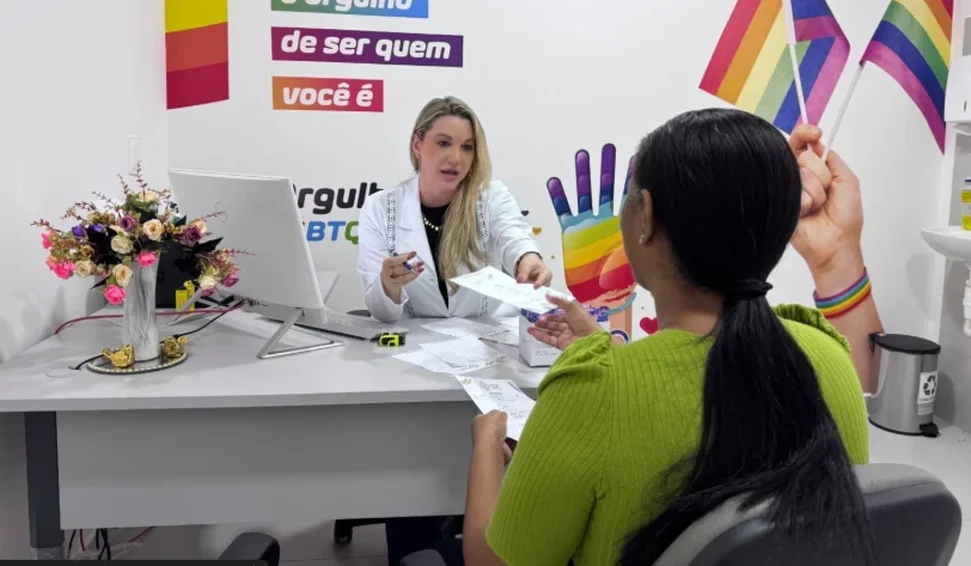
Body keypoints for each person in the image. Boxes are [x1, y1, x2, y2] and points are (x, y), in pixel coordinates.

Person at [456, 109, 877, 566]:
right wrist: (613, 353)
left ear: (646, 216)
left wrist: (486, 447)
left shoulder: (591, 394)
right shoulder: (829, 359)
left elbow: (489, 562)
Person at [357, 96, 552, 323]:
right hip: (414, 339)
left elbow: (514, 235)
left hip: (487, 336)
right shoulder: (379, 209)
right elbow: (381, 312)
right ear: (417, 145)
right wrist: (388, 286)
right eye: (443, 143)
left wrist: (527, 258)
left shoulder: (491, 196)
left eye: (467, 147)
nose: (456, 158)